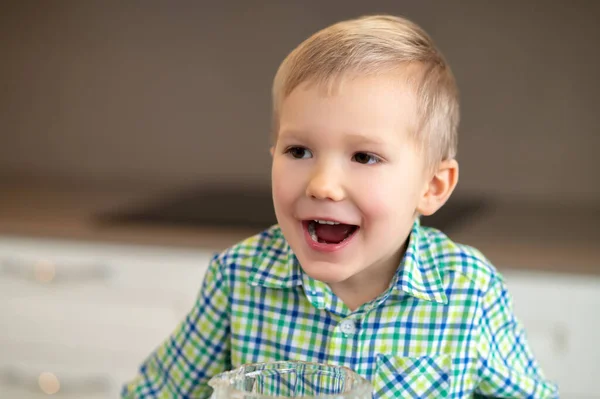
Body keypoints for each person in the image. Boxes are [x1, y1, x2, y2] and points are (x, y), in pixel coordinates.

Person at [122, 14, 558, 399]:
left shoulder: (469, 292)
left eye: (364, 157)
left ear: (432, 186)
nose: (324, 185)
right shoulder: (238, 279)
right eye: (299, 151)